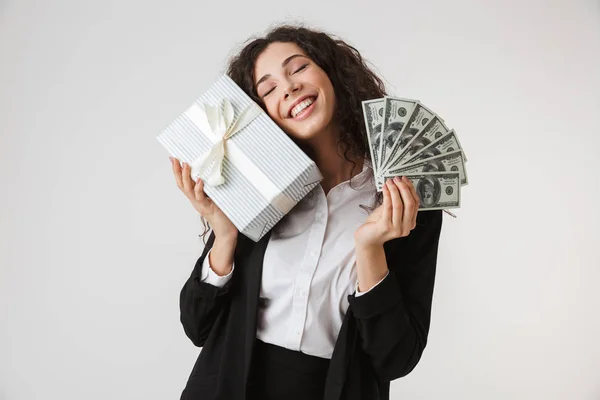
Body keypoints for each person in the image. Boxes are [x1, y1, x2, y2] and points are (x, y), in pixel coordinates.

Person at [169, 24, 444, 400]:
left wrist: (369, 248)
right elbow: (197, 326)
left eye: (298, 68)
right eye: (268, 89)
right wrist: (225, 235)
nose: (288, 87)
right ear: (263, 112)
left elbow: (395, 358)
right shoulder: (258, 191)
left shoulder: (402, 200)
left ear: (332, 73)